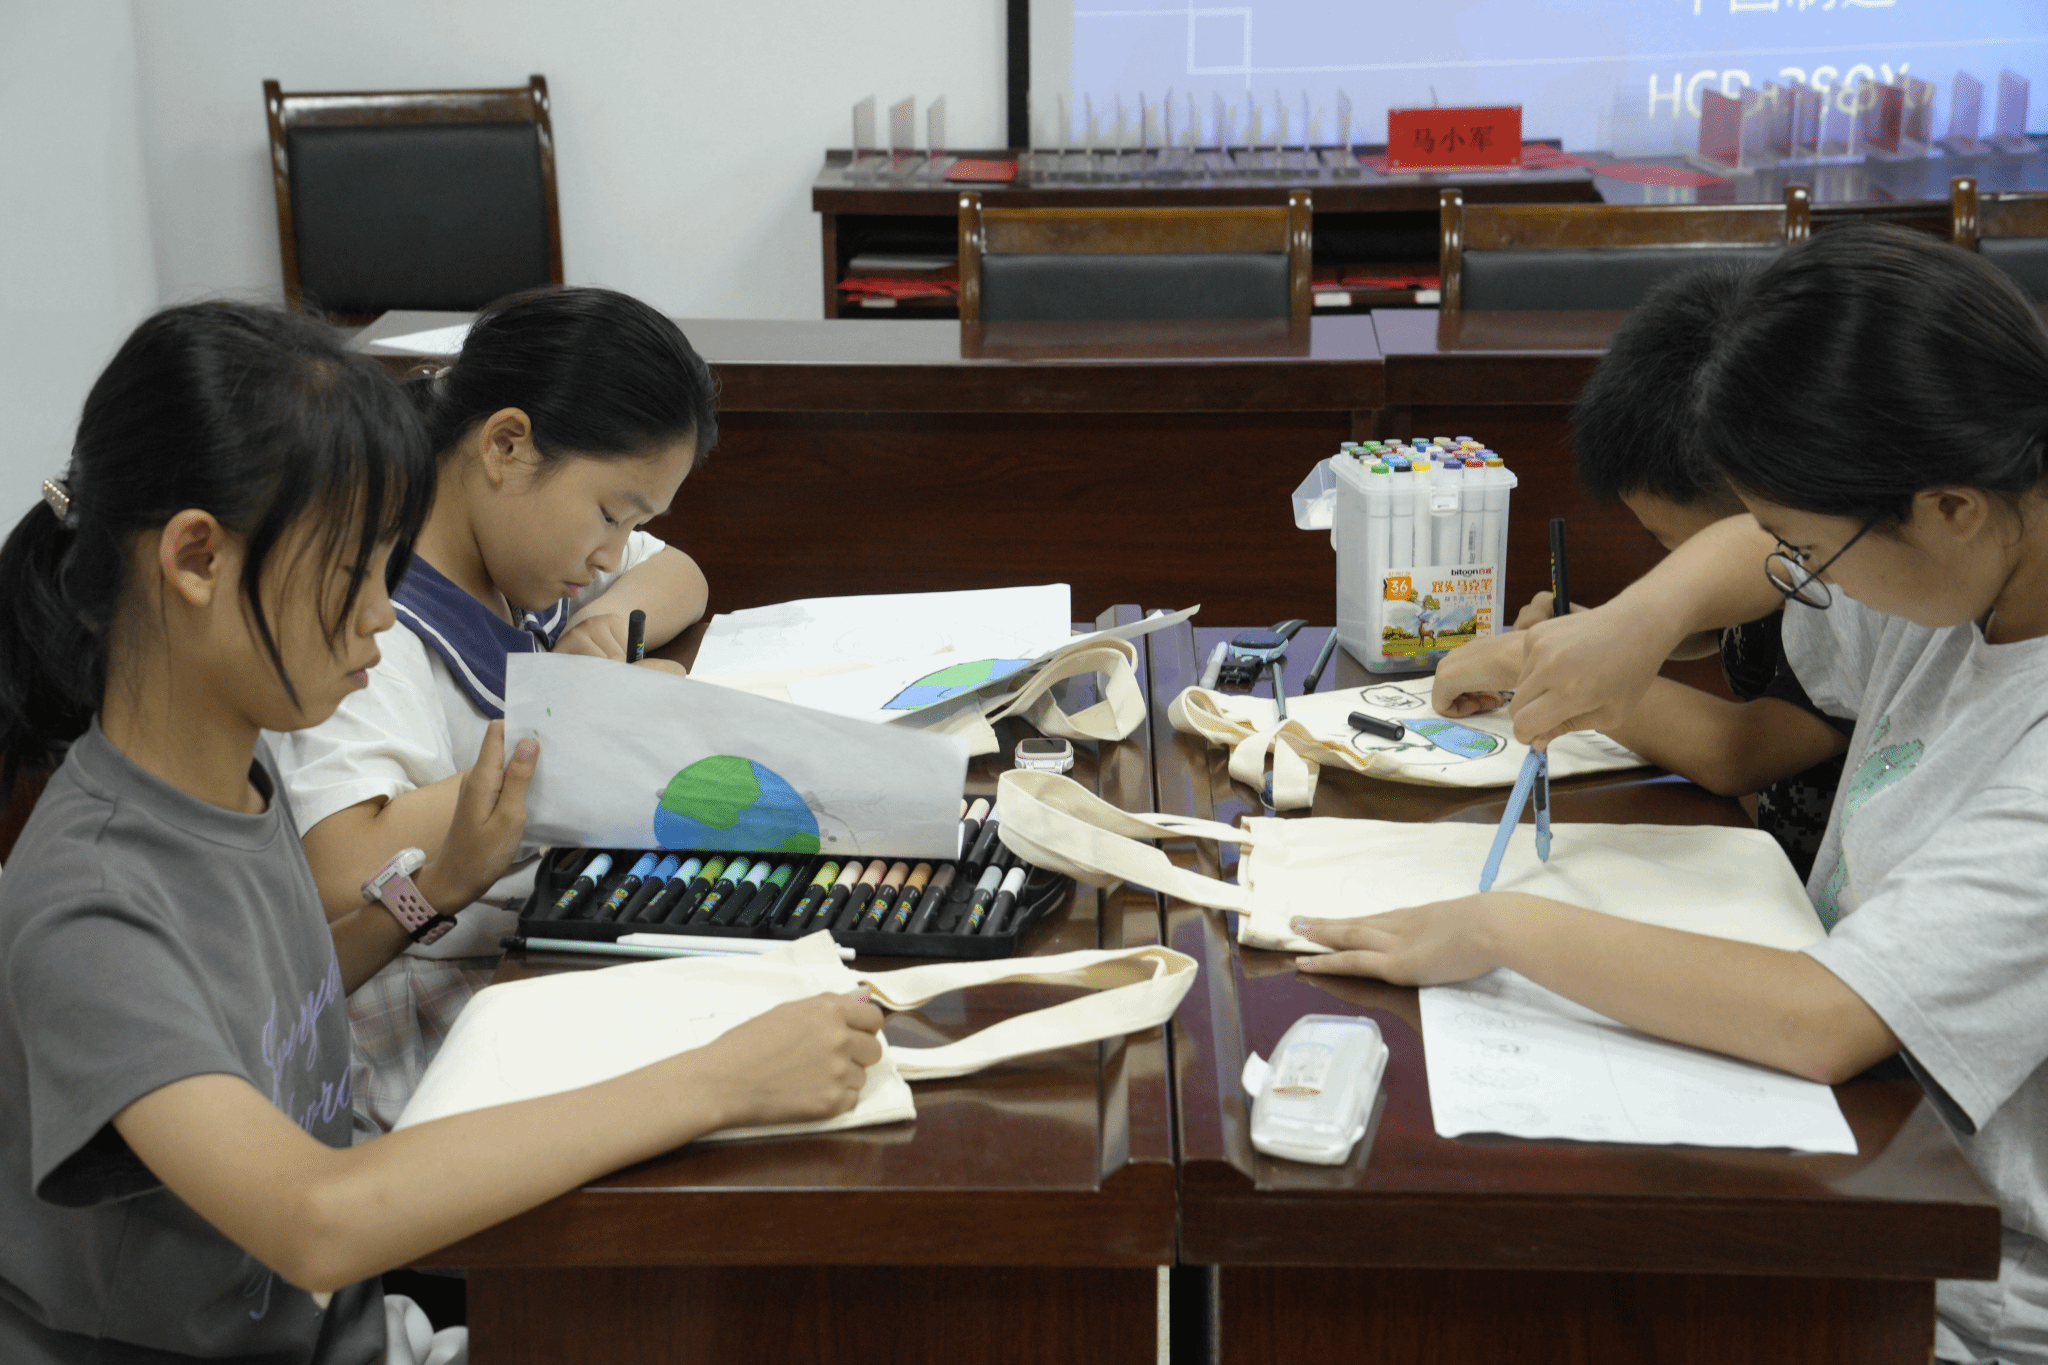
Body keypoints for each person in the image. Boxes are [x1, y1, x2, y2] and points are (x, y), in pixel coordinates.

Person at [0, 302, 882, 1364]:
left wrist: (442, 884)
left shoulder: (228, 783)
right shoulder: (91, 905)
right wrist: (721, 1081)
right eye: (352, 574)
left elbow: (265, 1004)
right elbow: (315, 1221)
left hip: (356, 1327)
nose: (382, 615)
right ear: (197, 558)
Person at [1299, 225, 2048, 1364]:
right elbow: (1748, 544)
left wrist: (1500, 928)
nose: (1798, 580)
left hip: (1947, 1288)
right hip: (1848, 1175)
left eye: (1808, 551)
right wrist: (1636, 621)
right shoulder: (1970, 571)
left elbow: (1825, 1017)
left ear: (1948, 506)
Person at [271, 287, 716, 1133]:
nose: (609, 555)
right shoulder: (375, 623)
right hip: (412, 1057)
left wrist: (597, 630)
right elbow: (340, 860)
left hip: (508, 979)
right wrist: (577, 725)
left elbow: (680, 573)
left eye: (631, 524)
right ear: (506, 445)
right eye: (609, 514)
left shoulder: (522, 560)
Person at [1497, 265, 1850, 877]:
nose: (1672, 563)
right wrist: (1604, 634)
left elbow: (1737, 753)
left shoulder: (1848, 582)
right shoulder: (1781, 554)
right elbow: (1717, 618)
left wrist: (1528, 660)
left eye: (1671, 539)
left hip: (1799, 885)